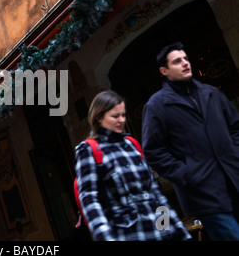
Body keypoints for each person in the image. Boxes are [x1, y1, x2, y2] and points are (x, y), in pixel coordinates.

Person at [142, 42, 239, 240]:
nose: (185, 63)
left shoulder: (211, 93)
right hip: (204, 194)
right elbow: (153, 151)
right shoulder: (157, 106)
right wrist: (188, 174)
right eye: (177, 61)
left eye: (186, 59)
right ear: (164, 70)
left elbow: (235, 127)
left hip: (235, 180)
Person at [75, 90, 190, 241]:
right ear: (99, 118)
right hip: (128, 235)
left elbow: (154, 192)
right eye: (115, 116)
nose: (121, 120)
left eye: (123, 115)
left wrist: (173, 228)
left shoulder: (131, 144)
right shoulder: (89, 149)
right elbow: (89, 199)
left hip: (159, 233)